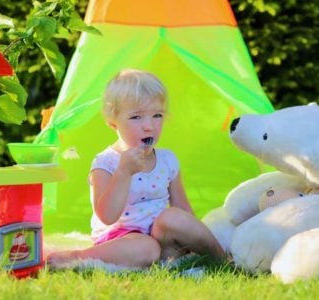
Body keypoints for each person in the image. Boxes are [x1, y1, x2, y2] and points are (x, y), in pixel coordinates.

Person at [47, 69, 224, 269]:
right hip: (122, 241)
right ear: (113, 123)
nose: (149, 126)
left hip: (161, 240)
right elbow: (106, 216)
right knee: (146, 248)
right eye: (136, 117)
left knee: (172, 217)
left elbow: (184, 211)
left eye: (157, 115)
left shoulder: (168, 160)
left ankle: (224, 258)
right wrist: (124, 172)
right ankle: (78, 256)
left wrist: (189, 235)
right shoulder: (105, 163)